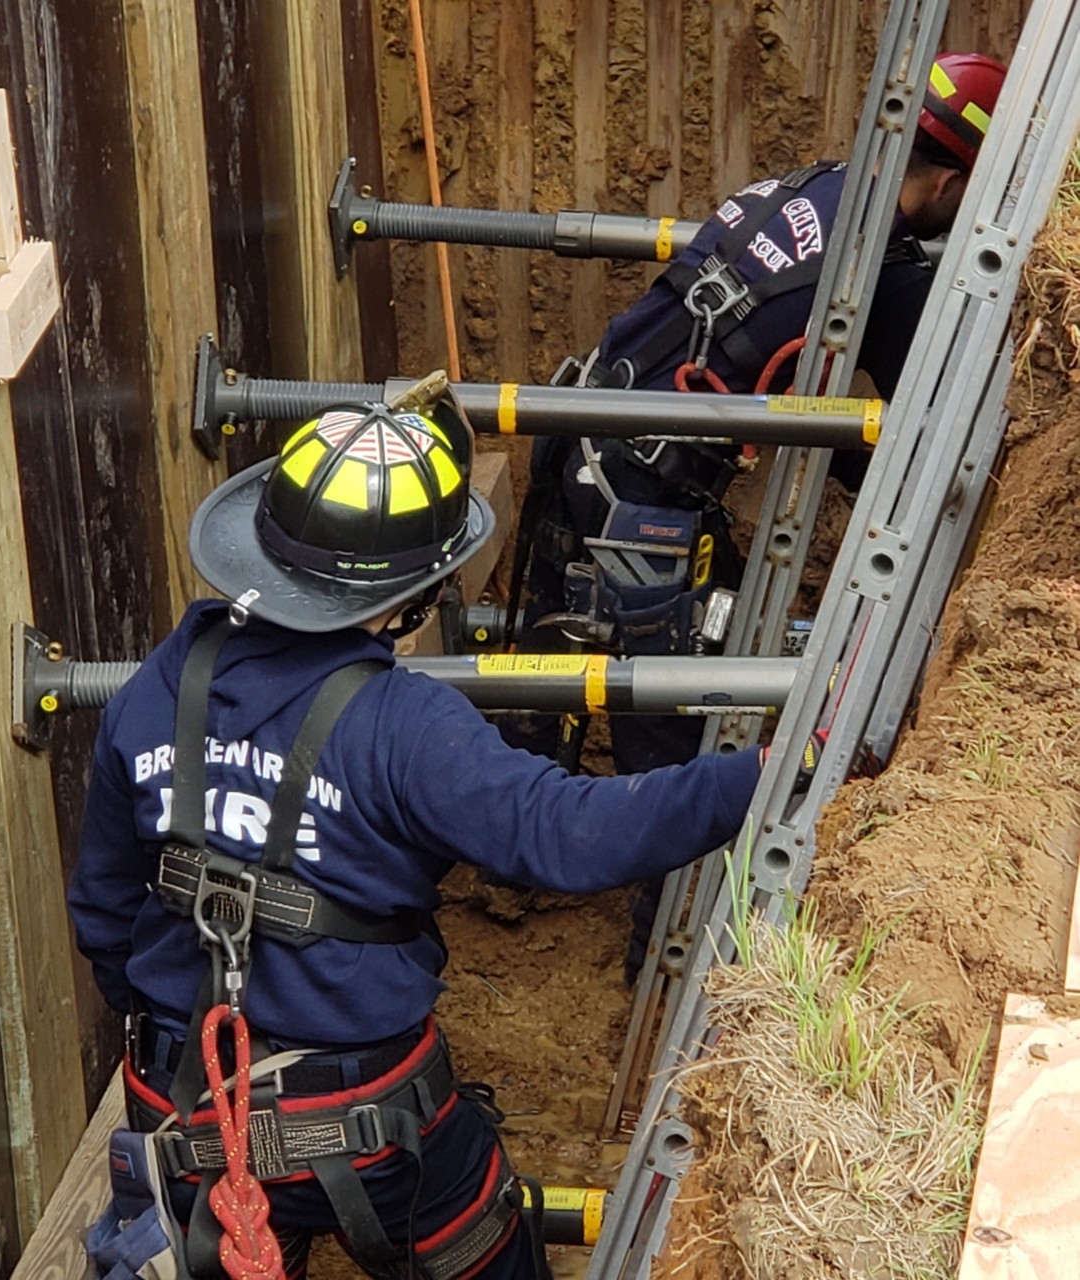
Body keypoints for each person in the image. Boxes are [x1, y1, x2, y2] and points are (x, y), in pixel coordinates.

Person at [67, 383, 771, 1279]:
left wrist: (177, 1028)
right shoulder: (405, 727)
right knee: (483, 1242)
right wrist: (751, 777)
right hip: (366, 1129)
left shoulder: (155, 690)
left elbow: (102, 910)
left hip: (183, 1112)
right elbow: (569, 833)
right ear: (416, 590)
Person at [502, 52, 1006, 980]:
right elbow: (905, 441)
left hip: (588, 427)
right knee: (679, 728)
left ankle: (507, 863)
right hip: (638, 502)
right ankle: (669, 956)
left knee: (550, 671)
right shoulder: (884, 275)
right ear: (957, 181)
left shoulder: (813, 188)